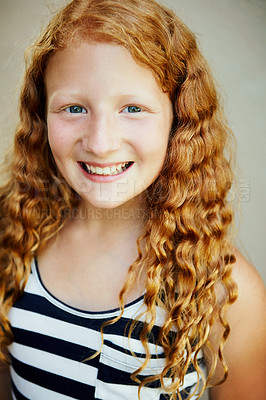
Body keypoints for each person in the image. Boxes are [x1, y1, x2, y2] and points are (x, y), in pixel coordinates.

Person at [0, 0, 265, 399]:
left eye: (133, 108)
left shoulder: (222, 287)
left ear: (178, 121)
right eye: (73, 107)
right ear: (41, 115)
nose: (101, 143)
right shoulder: (14, 240)